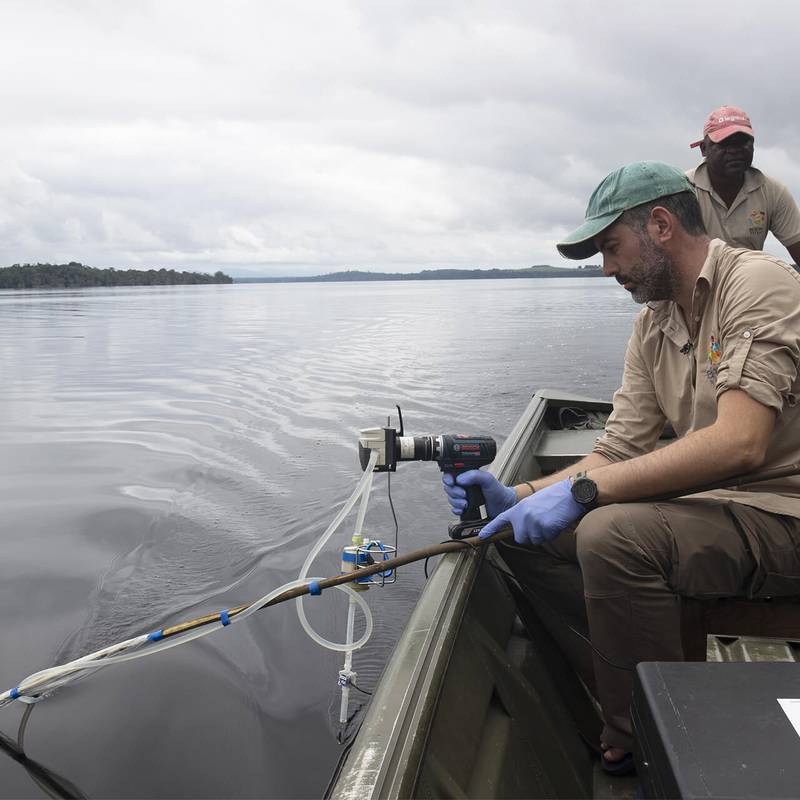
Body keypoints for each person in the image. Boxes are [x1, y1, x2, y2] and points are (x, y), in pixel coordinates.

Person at [442, 161, 800, 775]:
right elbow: (615, 451)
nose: (605, 269)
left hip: (782, 513)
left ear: (660, 225)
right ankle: (644, 686)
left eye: (611, 247)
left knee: (612, 535)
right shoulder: (652, 324)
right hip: (716, 513)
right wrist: (518, 494)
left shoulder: (759, 284)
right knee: (512, 537)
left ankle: (649, 739)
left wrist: (583, 492)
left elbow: (741, 443)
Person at [687, 105, 800, 266]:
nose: (734, 150)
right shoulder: (683, 190)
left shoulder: (772, 191)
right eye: (724, 143)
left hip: (749, 285)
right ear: (704, 149)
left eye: (742, 142)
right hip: (698, 285)